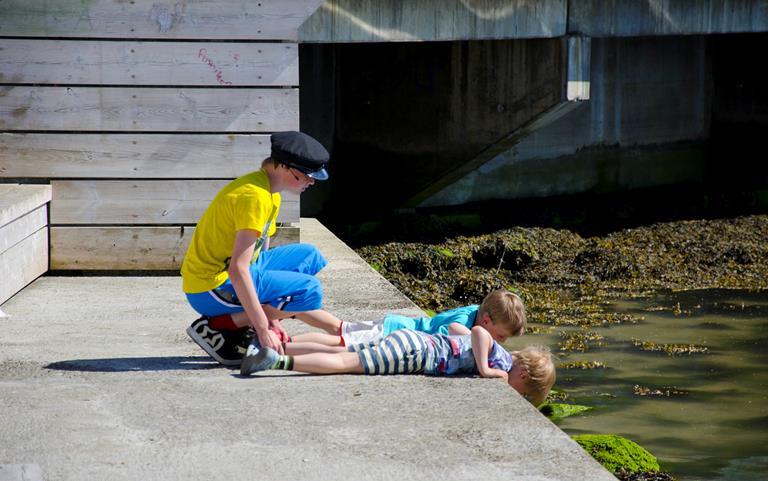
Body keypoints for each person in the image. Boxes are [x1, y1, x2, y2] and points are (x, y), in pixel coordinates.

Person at [181, 131, 339, 366]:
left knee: (309, 256)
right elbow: (237, 269)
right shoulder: (254, 197)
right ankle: (217, 326)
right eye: (307, 176)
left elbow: (256, 255)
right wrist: (263, 327)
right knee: (309, 291)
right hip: (210, 287)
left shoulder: (269, 191)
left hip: (230, 274)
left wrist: (275, 321)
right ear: (286, 168)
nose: (312, 182)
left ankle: (246, 319)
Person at [241, 324, 556, 406]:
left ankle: (275, 346)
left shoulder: (496, 354)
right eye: (525, 394)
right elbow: (478, 331)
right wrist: (487, 371)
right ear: (523, 374)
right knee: (345, 362)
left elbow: (458, 331)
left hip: (413, 339)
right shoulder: (500, 360)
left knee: (347, 348)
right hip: (415, 355)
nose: (519, 395)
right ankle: (278, 360)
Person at [288, 289, 527, 350]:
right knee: (342, 341)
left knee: (340, 327)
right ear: (486, 321)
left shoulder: (478, 310)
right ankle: (284, 343)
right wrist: (488, 346)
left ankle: (290, 308)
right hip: (392, 333)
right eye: (500, 336)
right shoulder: (466, 322)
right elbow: (451, 330)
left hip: (395, 324)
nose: (500, 342)